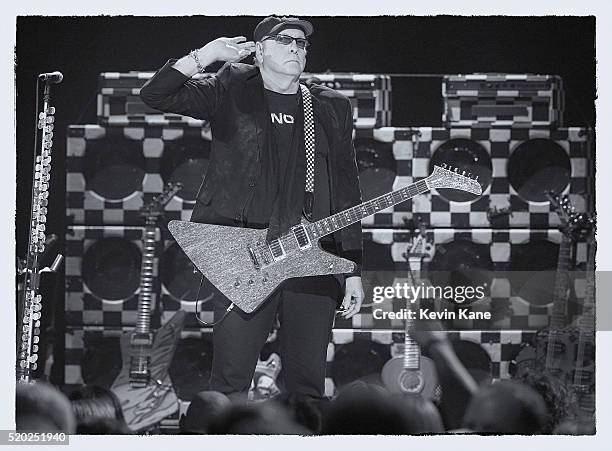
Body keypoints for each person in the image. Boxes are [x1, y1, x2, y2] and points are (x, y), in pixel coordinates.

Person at [140, 16, 364, 402]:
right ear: (259, 51)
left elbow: (347, 190)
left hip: (312, 256)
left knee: (308, 387)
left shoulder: (330, 107)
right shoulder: (230, 90)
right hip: (242, 257)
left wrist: (353, 268)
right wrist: (206, 55)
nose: (296, 48)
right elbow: (155, 94)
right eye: (284, 41)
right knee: (230, 382)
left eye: (302, 43)